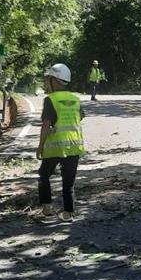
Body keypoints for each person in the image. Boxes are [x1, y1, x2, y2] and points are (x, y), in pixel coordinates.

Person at [36, 63, 85, 221]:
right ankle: (68, 213)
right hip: (74, 146)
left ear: (55, 80)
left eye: (49, 79)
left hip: (55, 146)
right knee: (68, 182)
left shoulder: (50, 100)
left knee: (44, 175)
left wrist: (40, 146)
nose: (47, 82)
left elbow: (45, 125)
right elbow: (80, 116)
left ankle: (47, 209)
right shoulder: (75, 99)